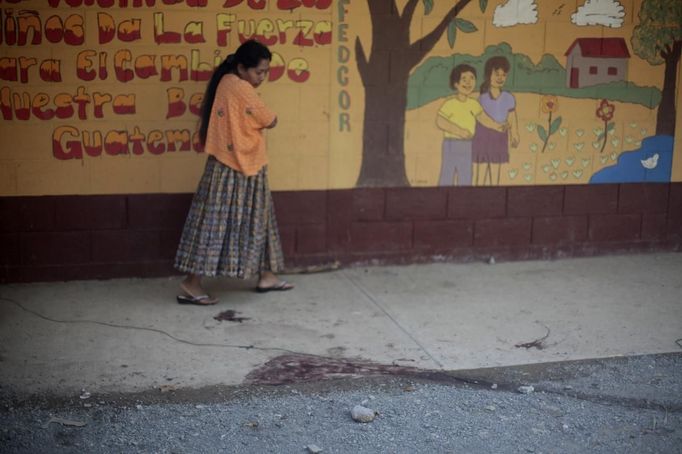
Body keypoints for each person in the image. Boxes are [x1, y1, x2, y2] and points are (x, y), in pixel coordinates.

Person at [174, 39, 293, 305]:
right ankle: (192, 283)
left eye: (265, 72)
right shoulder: (241, 88)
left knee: (256, 217)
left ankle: (266, 275)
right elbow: (270, 119)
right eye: (258, 72)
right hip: (234, 166)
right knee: (217, 223)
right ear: (242, 68)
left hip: (240, 163)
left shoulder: (228, 82)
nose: (262, 77)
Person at [437, 64, 508, 186]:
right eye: (464, 79)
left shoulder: (474, 104)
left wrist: (497, 126)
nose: (468, 82)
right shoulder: (450, 103)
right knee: (447, 175)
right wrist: (459, 131)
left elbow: (484, 119)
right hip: (451, 143)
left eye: (472, 78)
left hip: (469, 145)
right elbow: (440, 121)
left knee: (466, 176)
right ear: (456, 84)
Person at [472, 56, 520, 185]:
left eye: (504, 75)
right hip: (483, 137)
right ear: (489, 74)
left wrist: (514, 135)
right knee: (480, 174)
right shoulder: (481, 98)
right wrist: (496, 126)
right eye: (497, 74)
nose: (500, 78)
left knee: (495, 173)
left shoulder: (509, 98)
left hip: (499, 138)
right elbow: (480, 118)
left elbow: (512, 118)